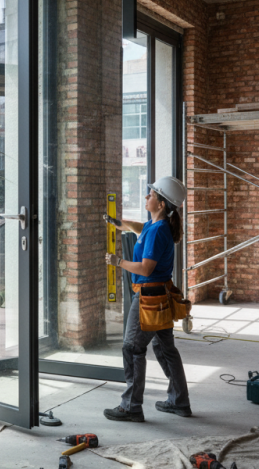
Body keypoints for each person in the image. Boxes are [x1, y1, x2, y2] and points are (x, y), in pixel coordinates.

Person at [102, 176, 191, 422]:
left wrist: (117, 261)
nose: (146, 197)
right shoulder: (155, 226)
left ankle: (131, 406)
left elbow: (145, 268)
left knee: (132, 348)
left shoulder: (158, 230)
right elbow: (137, 228)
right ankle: (179, 401)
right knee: (165, 348)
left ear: (161, 204)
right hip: (161, 297)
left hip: (149, 298)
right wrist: (116, 222)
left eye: (151, 194)